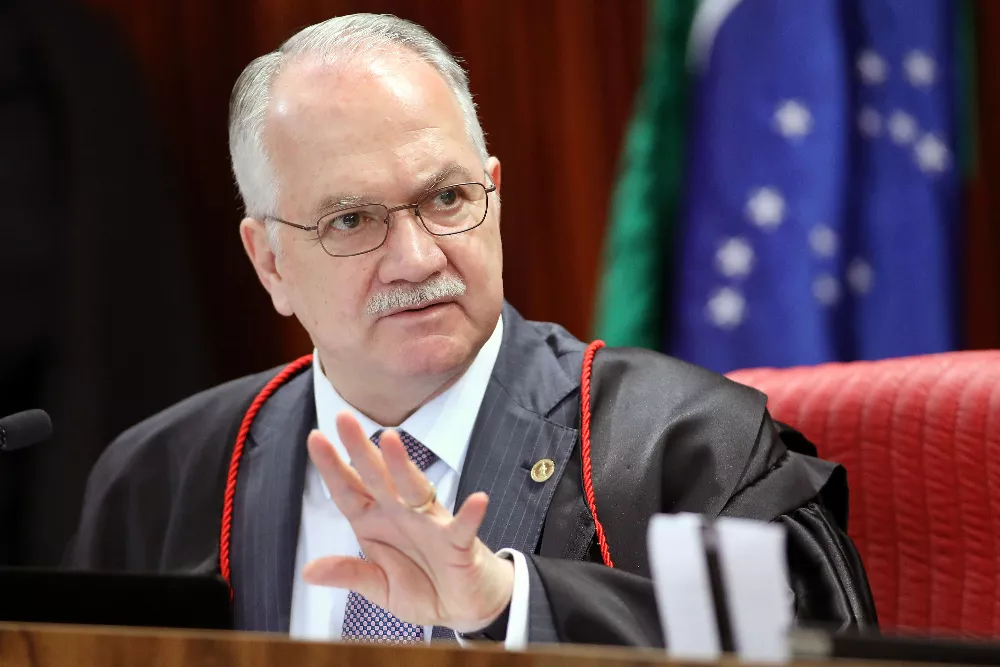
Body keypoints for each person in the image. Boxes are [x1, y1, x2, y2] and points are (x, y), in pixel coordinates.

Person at [66, 13, 877, 647]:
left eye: (447, 199)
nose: (417, 259)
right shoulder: (161, 479)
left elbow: (803, 646)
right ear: (269, 261)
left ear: (493, 192)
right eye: (352, 219)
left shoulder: (687, 446)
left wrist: (509, 606)